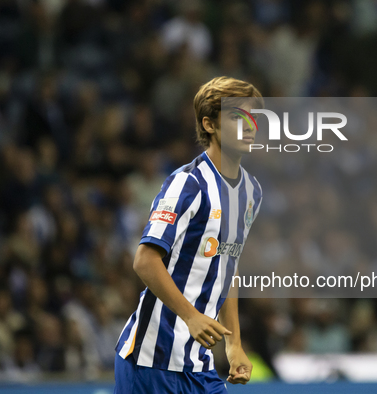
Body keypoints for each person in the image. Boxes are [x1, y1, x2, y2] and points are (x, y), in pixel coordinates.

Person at [114, 76, 264, 394]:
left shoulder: (251, 192)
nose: (250, 125)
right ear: (209, 124)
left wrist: (234, 343)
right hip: (152, 360)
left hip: (198, 364)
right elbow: (144, 261)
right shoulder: (188, 183)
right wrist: (191, 316)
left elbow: (228, 266)